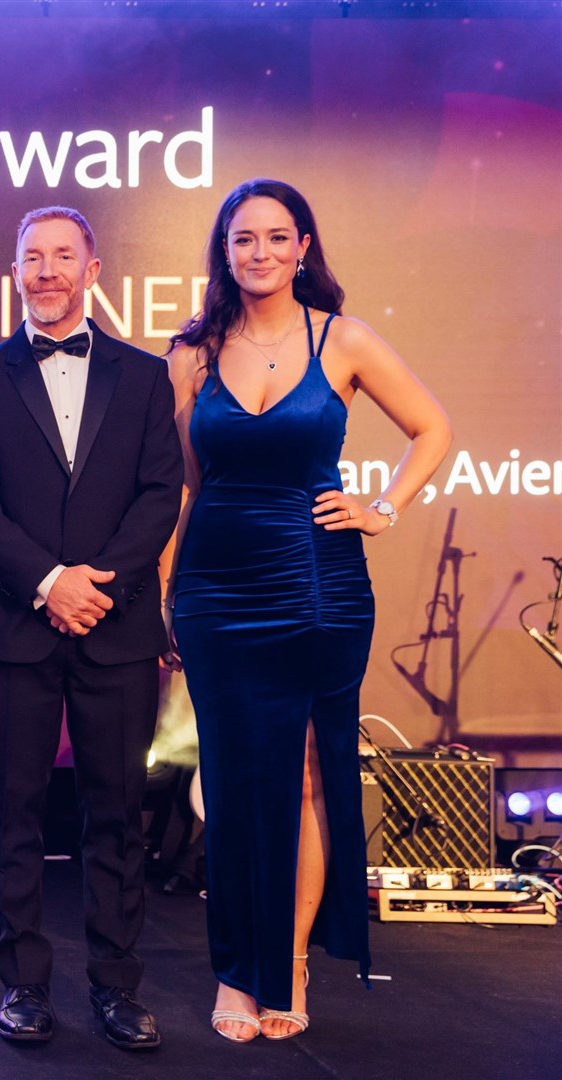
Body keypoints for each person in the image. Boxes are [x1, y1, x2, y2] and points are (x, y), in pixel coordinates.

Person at [165, 178, 451, 1043]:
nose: (258, 252)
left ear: (301, 247)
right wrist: (168, 593)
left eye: (274, 237)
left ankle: (283, 964)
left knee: (298, 776)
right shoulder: (191, 352)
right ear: (223, 251)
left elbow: (432, 429)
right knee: (228, 778)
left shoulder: (344, 339)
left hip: (317, 581)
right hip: (215, 585)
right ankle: (233, 974)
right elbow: (187, 486)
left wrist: (384, 508)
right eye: (241, 238)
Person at [0, 206, 182, 1051]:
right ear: (14, 271)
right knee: (11, 811)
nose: (45, 271)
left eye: (61, 256)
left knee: (116, 812)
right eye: (30, 257)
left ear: (92, 270)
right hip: (16, 621)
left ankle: (117, 988)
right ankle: (24, 986)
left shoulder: (145, 376)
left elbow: (160, 493)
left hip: (115, 628)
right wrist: (49, 581)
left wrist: (98, 587)